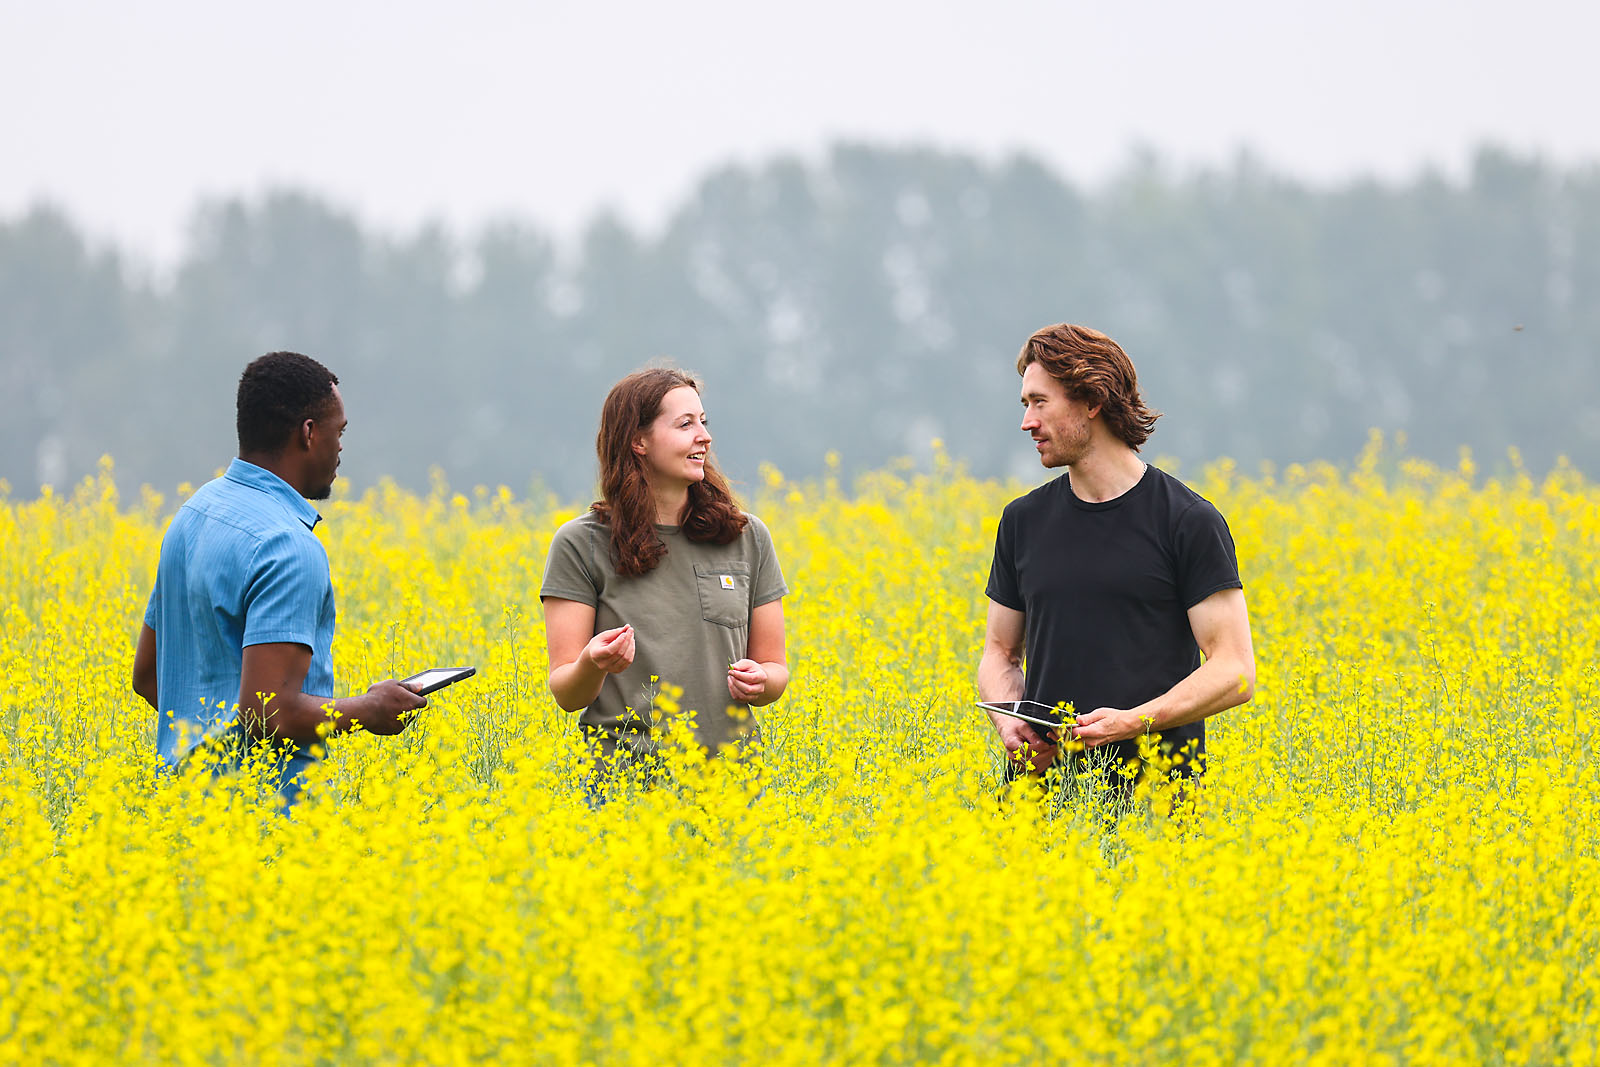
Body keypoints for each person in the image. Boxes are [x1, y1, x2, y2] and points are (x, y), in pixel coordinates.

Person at [131, 351, 425, 805]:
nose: (341, 447)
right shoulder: (287, 545)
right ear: (308, 433)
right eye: (339, 432)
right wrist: (368, 710)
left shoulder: (192, 515)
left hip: (179, 812)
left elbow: (149, 676)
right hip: (263, 819)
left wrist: (207, 755)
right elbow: (267, 712)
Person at [978, 323, 1256, 791]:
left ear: (1092, 400)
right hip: (1039, 803)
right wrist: (1009, 722)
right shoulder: (1022, 521)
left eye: (1040, 402)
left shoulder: (1187, 521)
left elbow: (1235, 671)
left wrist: (1133, 722)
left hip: (1156, 802)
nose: (1027, 422)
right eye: (1025, 404)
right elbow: (999, 654)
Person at [540, 367, 789, 788]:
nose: (704, 437)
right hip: (624, 787)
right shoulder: (581, 544)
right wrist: (592, 663)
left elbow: (775, 669)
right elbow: (567, 693)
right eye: (685, 424)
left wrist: (762, 681)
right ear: (638, 441)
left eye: (703, 422)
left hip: (731, 785)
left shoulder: (746, 537)